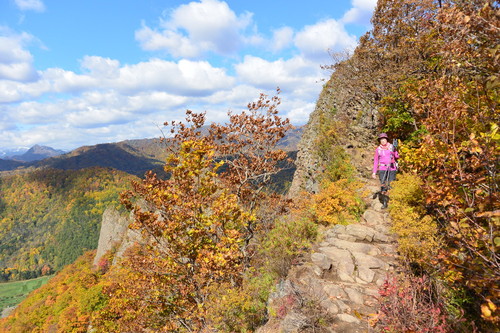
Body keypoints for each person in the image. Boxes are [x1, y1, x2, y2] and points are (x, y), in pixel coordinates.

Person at [372, 133, 399, 208]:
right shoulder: (378, 150)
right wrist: (374, 172)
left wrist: (394, 151)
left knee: (391, 185)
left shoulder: (392, 147)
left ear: (387, 139)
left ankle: (392, 202)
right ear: (379, 141)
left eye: (384, 139)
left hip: (391, 168)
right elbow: (376, 161)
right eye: (381, 139)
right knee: (383, 185)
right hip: (382, 169)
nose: (383, 141)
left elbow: (397, 156)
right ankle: (385, 203)